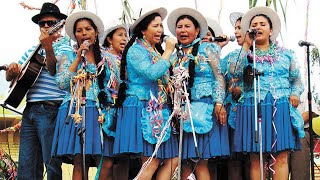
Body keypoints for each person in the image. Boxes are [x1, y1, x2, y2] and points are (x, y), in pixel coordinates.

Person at [233, 6, 304, 180]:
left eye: (262, 24)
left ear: (271, 30)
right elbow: (234, 73)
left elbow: (296, 80)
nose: (258, 27)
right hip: (252, 106)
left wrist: (295, 94)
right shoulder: (244, 54)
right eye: (254, 24)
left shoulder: (287, 55)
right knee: (256, 158)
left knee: (280, 157)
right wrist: (247, 45)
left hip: (279, 107)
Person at [114, 6, 179, 179]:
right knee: (151, 160)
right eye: (155, 26)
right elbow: (152, 73)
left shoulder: (155, 51)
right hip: (142, 107)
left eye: (161, 26)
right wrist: (169, 51)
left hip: (159, 108)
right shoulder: (136, 50)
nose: (160, 30)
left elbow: (164, 77)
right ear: (143, 30)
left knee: (173, 159)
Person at [5, 2, 68, 179]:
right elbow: (13, 77)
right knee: (26, 164)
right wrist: (12, 70)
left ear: (60, 24)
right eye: (42, 23)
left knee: (51, 162)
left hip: (51, 109)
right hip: (30, 109)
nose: (46, 26)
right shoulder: (32, 50)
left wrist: (48, 47)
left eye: (51, 22)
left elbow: (55, 69)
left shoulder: (65, 47)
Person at [167, 7, 229, 179]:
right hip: (182, 114)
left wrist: (219, 103)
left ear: (197, 31)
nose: (183, 30)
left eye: (188, 26)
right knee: (185, 161)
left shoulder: (208, 49)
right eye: (179, 26)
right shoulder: (174, 56)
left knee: (200, 162)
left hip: (204, 110)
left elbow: (219, 77)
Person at [51, 11, 113, 180]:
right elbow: (62, 83)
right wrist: (78, 58)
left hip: (99, 112)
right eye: (79, 30)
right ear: (75, 35)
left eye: (88, 29)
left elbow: (113, 86)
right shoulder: (69, 55)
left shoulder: (107, 58)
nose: (84, 33)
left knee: (105, 158)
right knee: (80, 159)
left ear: (96, 32)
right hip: (75, 110)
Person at [221, 11, 251, 180]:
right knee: (234, 160)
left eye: (240, 28)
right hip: (233, 113)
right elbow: (231, 72)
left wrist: (244, 91)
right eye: (235, 28)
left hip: (253, 113)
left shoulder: (262, 55)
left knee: (252, 158)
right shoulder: (232, 56)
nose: (236, 32)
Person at [101, 21, 130, 180]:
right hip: (108, 113)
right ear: (109, 39)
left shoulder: (127, 61)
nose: (124, 38)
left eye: (126, 35)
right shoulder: (103, 57)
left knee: (124, 159)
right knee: (108, 160)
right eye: (120, 35)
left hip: (124, 113)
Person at [289, 89, 320, 180]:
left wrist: (292, 126)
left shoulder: (303, 89)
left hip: (300, 134)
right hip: (280, 136)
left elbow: (310, 112)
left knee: (300, 174)